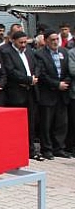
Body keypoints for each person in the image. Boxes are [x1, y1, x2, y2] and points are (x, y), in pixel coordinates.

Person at [0, 31, 41, 160]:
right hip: (16, 93)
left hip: (30, 91)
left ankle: (31, 150)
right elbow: (11, 72)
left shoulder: (29, 51)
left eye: (25, 42)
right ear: (13, 41)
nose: (23, 45)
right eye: (20, 42)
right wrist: (27, 79)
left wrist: (34, 77)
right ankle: (17, 150)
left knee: (31, 122)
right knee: (17, 124)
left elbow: (37, 65)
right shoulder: (6, 52)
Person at [35, 30, 72, 160]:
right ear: (45, 41)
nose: (55, 42)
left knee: (62, 123)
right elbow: (42, 74)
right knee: (47, 123)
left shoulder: (64, 52)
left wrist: (65, 82)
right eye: (52, 39)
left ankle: (59, 148)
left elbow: (69, 70)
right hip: (48, 93)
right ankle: (47, 149)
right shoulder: (40, 54)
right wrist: (57, 84)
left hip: (62, 93)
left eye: (57, 39)